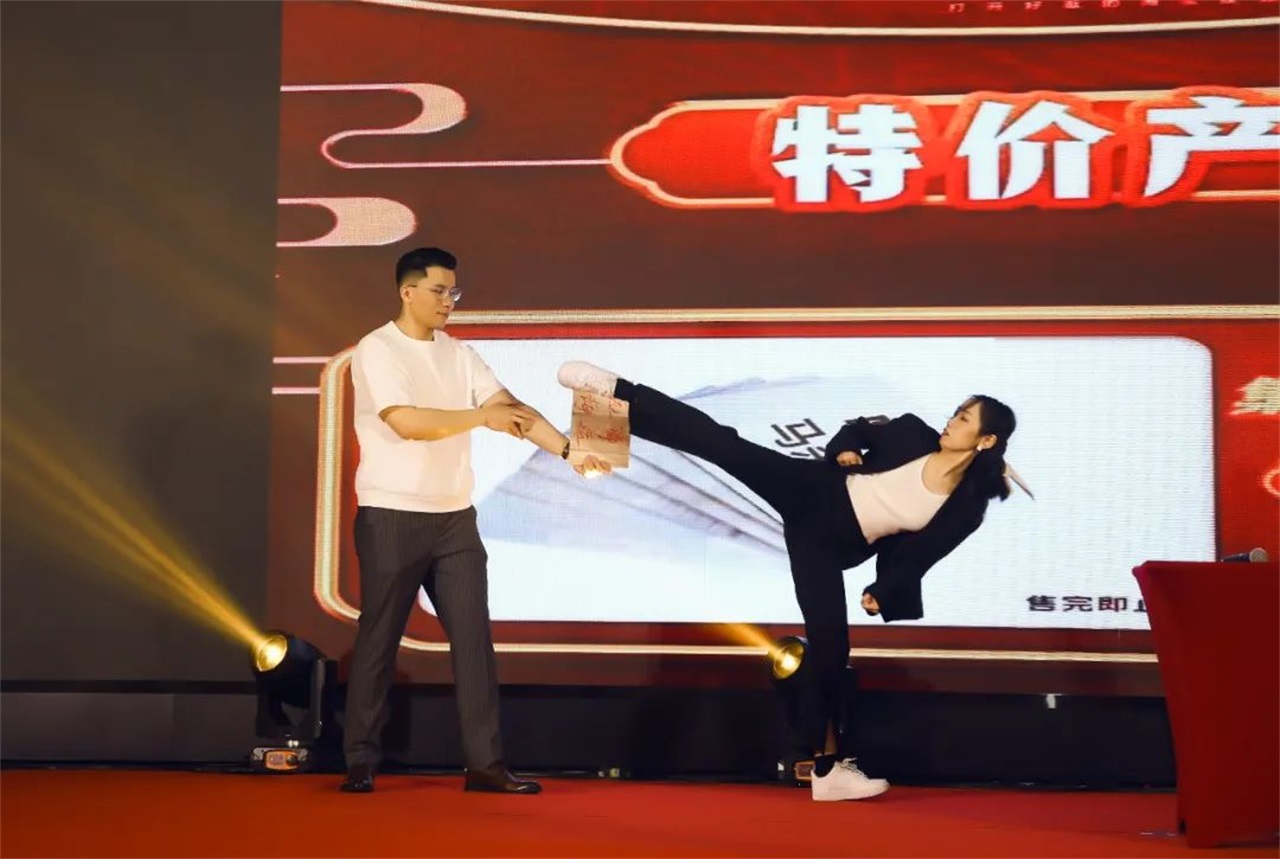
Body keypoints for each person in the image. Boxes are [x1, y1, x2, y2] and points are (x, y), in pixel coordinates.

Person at [555, 361, 1018, 802]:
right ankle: (616, 391)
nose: (951, 421)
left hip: (827, 545)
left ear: (986, 439)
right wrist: (845, 448)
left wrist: (883, 591)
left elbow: (922, 555)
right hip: (813, 489)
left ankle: (827, 771)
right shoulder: (913, 432)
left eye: (964, 419)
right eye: (956, 412)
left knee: (831, 650)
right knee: (723, 445)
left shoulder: (965, 507)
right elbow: (857, 429)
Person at [340, 247, 607, 794]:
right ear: (407, 292)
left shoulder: (460, 354)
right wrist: (481, 417)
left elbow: (512, 409)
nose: (449, 302)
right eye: (439, 291)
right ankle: (360, 759)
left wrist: (569, 452)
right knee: (379, 639)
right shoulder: (377, 349)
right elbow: (408, 422)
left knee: (473, 641)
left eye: (454, 292)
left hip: (454, 520)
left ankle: (485, 764)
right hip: (391, 514)